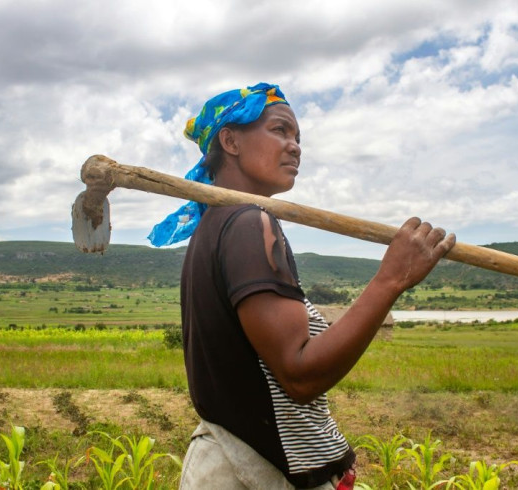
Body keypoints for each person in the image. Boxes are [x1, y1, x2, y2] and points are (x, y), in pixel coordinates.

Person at [148, 83, 456, 489]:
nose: (295, 146)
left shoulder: (215, 226)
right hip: (252, 472)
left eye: (298, 137)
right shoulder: (246, 223)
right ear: (230, 140)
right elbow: (300, 374)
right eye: (280, 130)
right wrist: (392, 278)